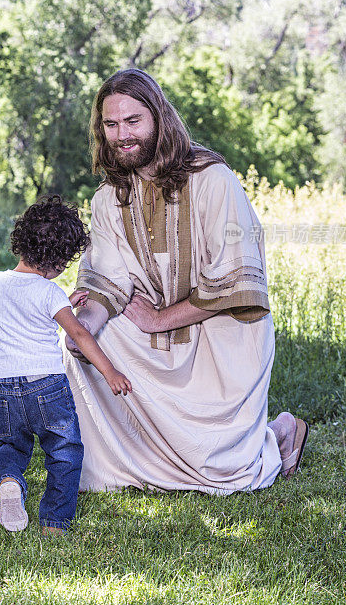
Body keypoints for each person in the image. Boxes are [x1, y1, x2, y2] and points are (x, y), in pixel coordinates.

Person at [64, 69, 309, 495]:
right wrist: (85, 320)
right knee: (85, 342)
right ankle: (136, 461)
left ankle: (281, 432)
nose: (121, 134)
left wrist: (161, 319)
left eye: (133, 121)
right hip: (155, 338)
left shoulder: (214, 179)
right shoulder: (108, 197)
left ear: (159, 118)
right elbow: (106, 281)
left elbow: (237, 280)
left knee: (226, 476)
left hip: (222, 334)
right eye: (110, 124)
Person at [0, 195, 132, 536]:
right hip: (46, 387)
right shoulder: (48, 292)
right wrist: (109, 370)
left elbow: (23, 311)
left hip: (4, 388)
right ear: (56, 261)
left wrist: (62, 302)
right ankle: (54, 523)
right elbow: (79, 333)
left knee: (8, 446)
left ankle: (9, 481)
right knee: (64, 451)